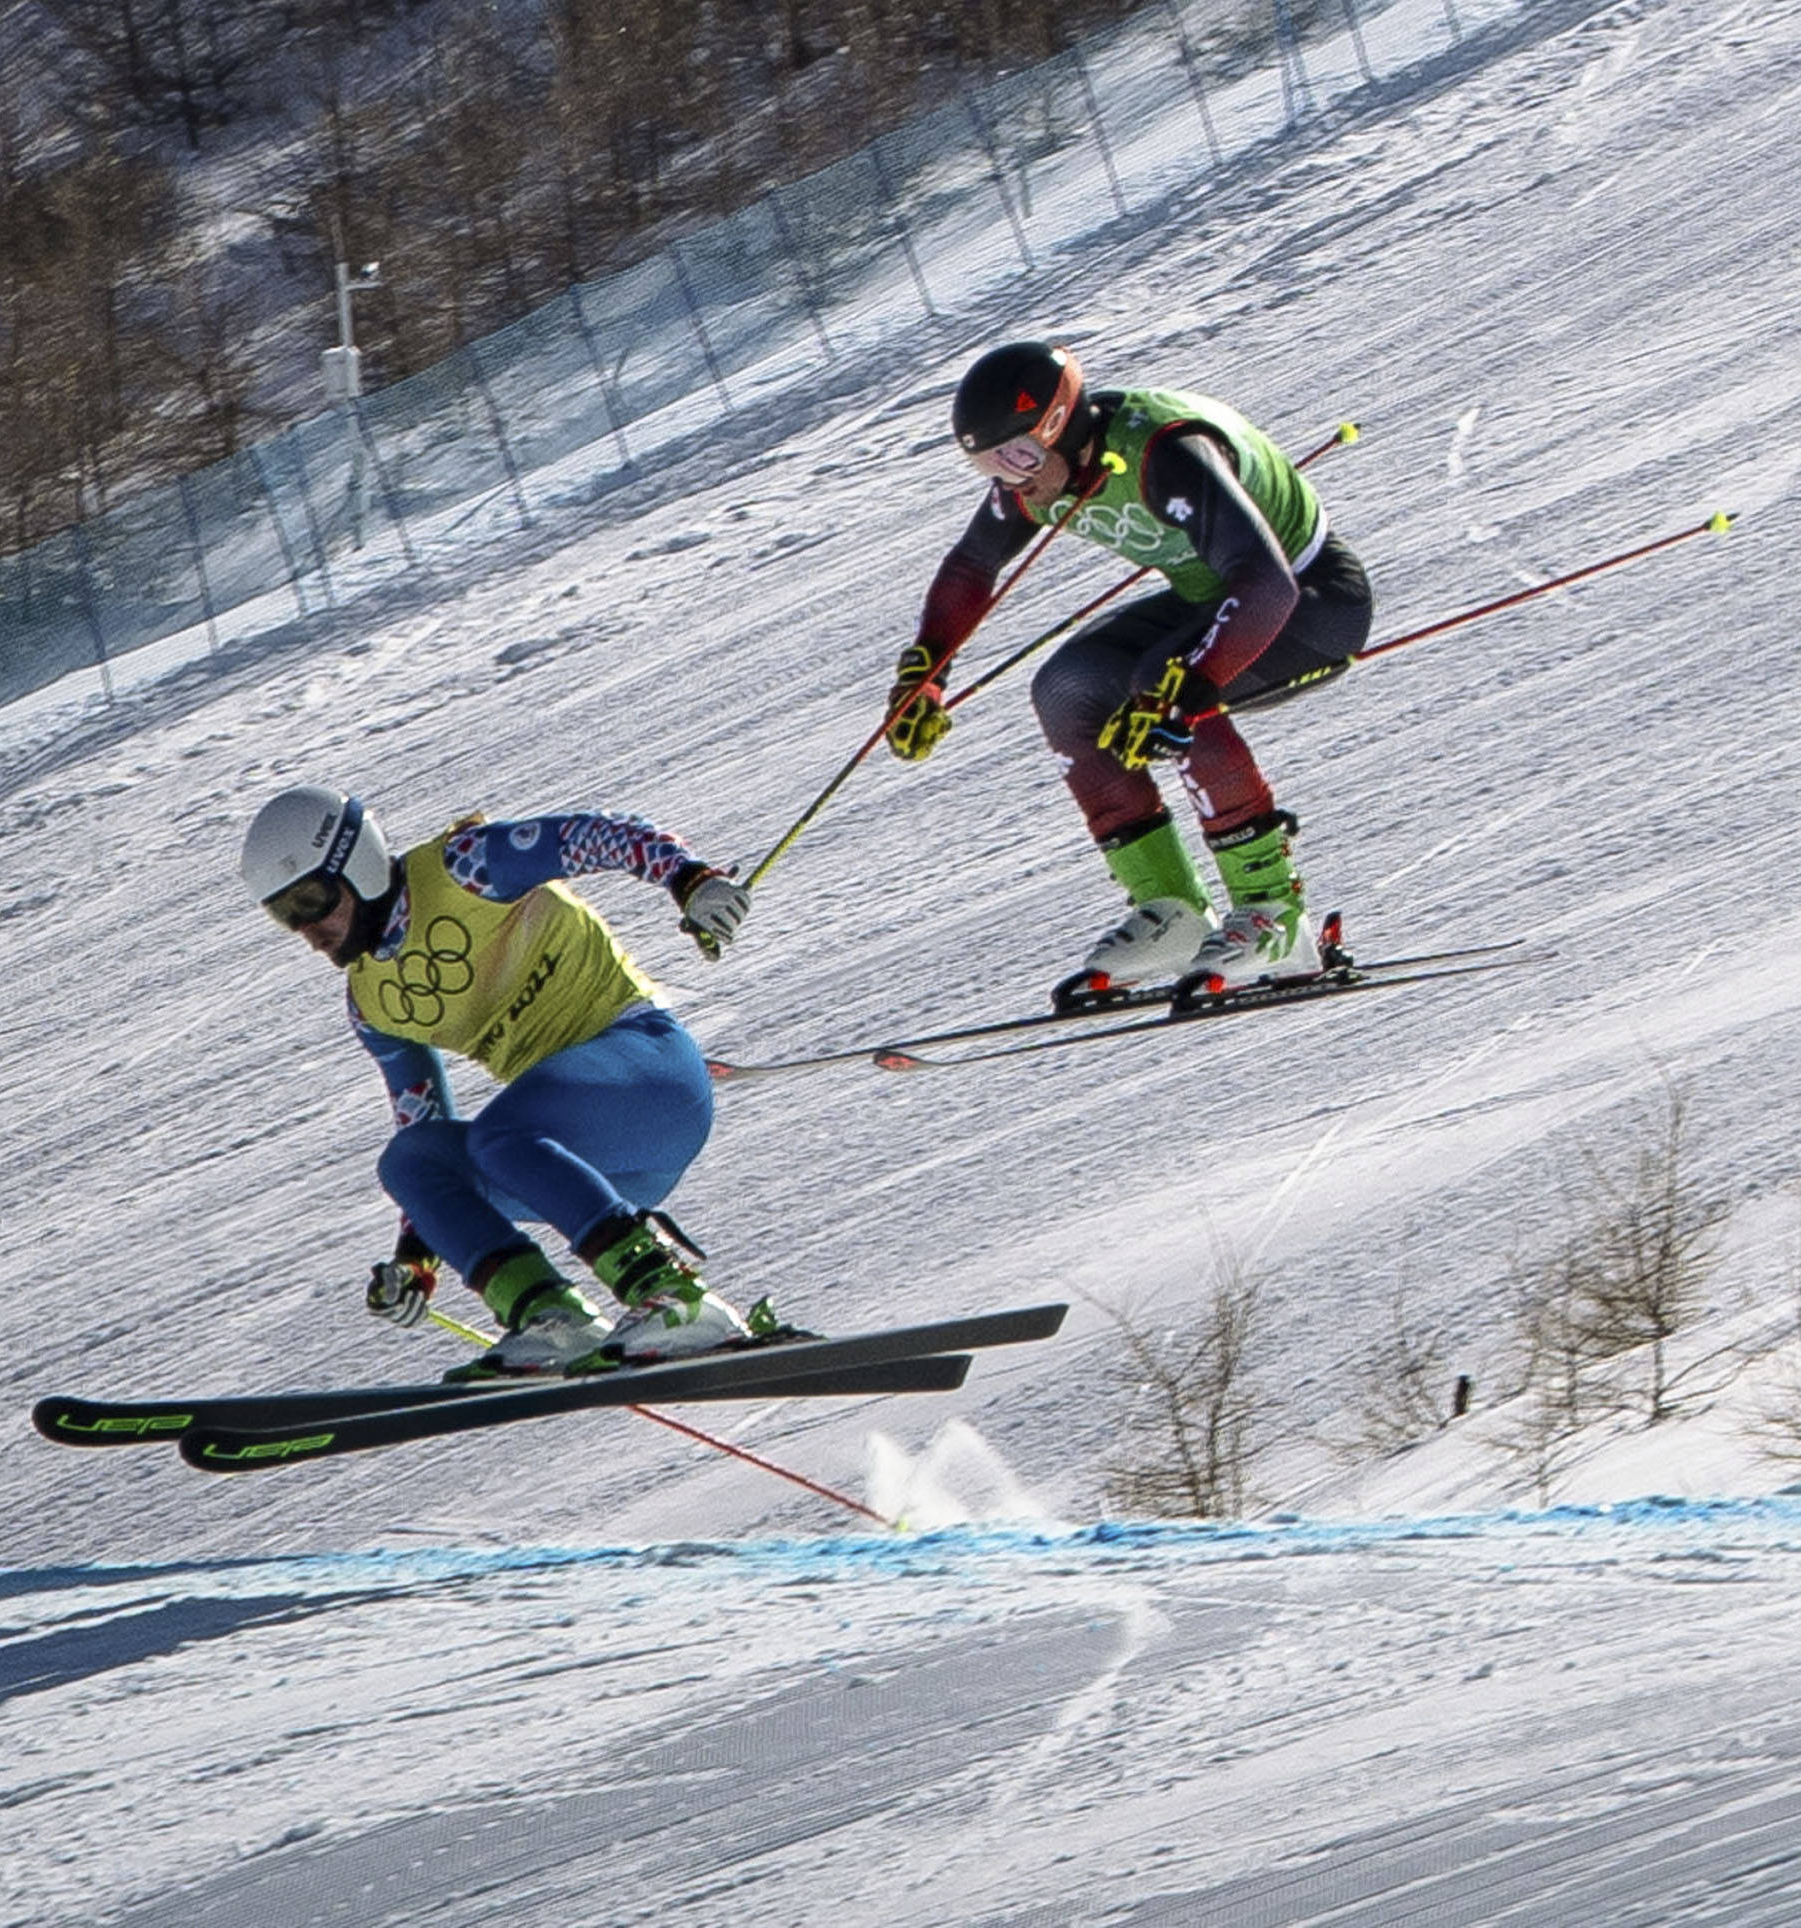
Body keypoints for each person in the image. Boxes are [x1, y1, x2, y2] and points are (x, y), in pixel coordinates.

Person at [882, 344, 1370, 1006]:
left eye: (1019, 456)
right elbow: (973, 564)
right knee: (1067, 688)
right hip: (1217, 600)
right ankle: (1171, 911)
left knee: (1157, 681)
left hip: (1309, 605)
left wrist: (1193, 681)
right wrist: (927, 670)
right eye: (988, 464)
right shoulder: (1042, 476)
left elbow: (1267, 585)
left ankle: (1276, 917)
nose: (1011, 479)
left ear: (1060, 425)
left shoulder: (1165, 452)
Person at [241, 783, 755, 1374]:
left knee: (497, 1136)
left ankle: (679, 1298)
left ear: (354, 864)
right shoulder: (371, 1004)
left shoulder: (465, 868)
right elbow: (422, 1117)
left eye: (310, 899)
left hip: (650, 1080)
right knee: (409, 1162)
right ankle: (550, 1317)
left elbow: (600, 834)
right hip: (584, 1162)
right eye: (286, 915)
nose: (307, 929)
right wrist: (417, 1259)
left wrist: (689, 879)